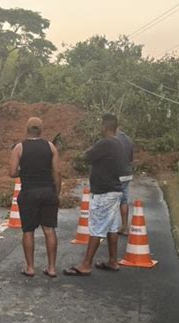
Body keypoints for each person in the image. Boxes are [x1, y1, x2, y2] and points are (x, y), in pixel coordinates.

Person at [64, 113, 123, 276]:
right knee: (112, 228)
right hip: (114, 190)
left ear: (105, 126)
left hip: (104, 192)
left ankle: (86, 264)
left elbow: (86, 156)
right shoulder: (118, 143)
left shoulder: (104, 143)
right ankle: (113, 261)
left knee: (97, 228)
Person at [9, 117, 61, 278]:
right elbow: (57, 172)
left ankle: (30, 267)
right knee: (49, 230)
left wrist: (25, 171)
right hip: (48, 192)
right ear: (41, 130)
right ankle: (51, 268)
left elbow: (12, 172)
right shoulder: (50, 147)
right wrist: (56, 193)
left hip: (29, 193)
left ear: (26, 129)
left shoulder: (19, 148)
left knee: (28, 231)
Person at [116, 128, 134, 236]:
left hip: (115, 175)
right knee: (124, 200)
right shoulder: (128, 139)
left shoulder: (112, 139)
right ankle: (124, 227)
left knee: (111, 200)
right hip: (127, 174)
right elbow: (131, 158)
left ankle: (110, 228)